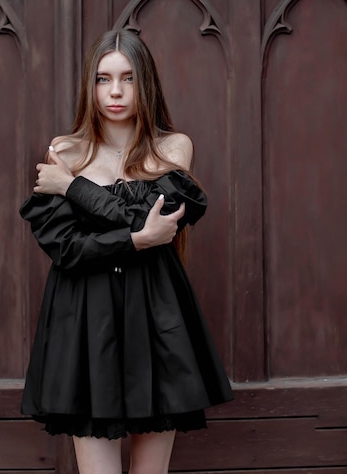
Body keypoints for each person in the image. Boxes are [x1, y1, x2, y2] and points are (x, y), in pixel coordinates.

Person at [19, 29, 233, 474]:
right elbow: (68, 250)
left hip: (156, 317)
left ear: (146, 83)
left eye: (128, 78)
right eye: (103, 78)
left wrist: (73, 188)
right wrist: (136, 239)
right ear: (90, 85)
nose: (114, 91)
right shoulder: (66, 151)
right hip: (82, 319)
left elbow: (159, 223)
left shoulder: (172, 148)